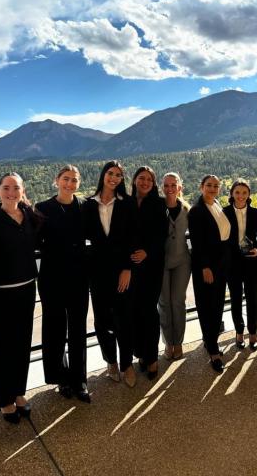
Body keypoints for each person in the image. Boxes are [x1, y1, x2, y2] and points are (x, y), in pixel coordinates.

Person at [0, 172, 39, 423]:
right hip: (0, 292)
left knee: (23, 342)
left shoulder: (31, 217)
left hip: (27, 288)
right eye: (6, 188)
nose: (11, 192)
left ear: (23, 191)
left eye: (16, 188)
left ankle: (19, 392)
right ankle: (4, 399)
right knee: (3, 346)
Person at [35, 165, 89, 402]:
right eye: (66, 179)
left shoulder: (84, 207)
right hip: (52, 278)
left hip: (78, 276)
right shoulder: (43, 209)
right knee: (55, 330)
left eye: (74, 180)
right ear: (56, 180)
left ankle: (80, 380)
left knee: (78, 330)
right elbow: (34, 241)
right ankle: (60, 378)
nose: (69, 184)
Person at [83, 160, 137, 387]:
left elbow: (133, 238)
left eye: (118, 175)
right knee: (102, 320)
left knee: (124, 318)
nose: (114, 178)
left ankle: (127, 364)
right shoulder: (87, 205)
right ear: (103, 175)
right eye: (110, 173)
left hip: (121, 271)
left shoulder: (127, 204)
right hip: (97, 273)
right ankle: (111, 361)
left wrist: (128, 268)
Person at [188, 175, 231, 372]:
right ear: (201, 187)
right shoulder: (197, 211)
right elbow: (197, 243)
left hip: (221, 263)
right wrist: (205, 267)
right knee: (208, 306)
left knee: (218, 304)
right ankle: (213, 351)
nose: (212, 188)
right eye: (208, 185)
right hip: (206, 266)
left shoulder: (217, 205)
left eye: (216, 185)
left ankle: (210, 340)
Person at [131, 166, 168, 379]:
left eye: (149, 180)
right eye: (141, 178)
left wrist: (147, 252)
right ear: (134, 180)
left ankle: (152, 358)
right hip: (131, 266)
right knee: (135, 312)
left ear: (153, 184)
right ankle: (141, 355)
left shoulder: (158, 203)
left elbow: (161, 234)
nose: (145, 182)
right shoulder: (125, 202)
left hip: (152, 264)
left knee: (149, 311)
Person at [223, 180, 257, 351]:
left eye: (244, 193)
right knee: (236, 300)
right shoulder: (223, 213)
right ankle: (239, 332)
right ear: (232, 194)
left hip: (251, 261)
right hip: (232, 263)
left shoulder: (256, 213)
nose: (241, 196)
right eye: (237, 192)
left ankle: (253, 332)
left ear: (249, 195)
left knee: (252, 298)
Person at [158, 172, 191, 361]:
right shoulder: (156, 208)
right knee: (164, 304)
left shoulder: (188, 210)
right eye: (166, 185)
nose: (170, 188)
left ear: (180, 187)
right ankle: (167, 343)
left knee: (178, 302)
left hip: (182, 262)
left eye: (174, 185)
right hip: (160, 263)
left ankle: (178, 342)